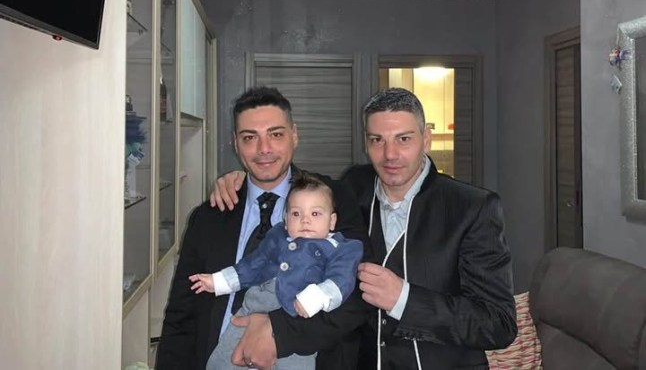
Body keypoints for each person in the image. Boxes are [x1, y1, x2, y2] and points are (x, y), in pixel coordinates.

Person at [210, 87, 518, 369]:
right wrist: (245, 180)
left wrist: (404, 299)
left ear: (426, 138)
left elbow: (499, 324)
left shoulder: (472, 207)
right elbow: (301, 187)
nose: (390, 154)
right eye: (377, 140)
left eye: (404, 139)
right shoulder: (353, 187)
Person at [156, 86, 370, 370]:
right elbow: (181, 316)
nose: (264, 149)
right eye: (249, 138)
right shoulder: (209, 216)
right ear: (235, 144)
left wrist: (277, 332)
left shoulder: (332, 199)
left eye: (276, 134)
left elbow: (357, 293)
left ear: (294, 135)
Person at [190, 170, 364, 370]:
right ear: (286, 220)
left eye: (315, 213)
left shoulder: (342, 248)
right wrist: (219, 281)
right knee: (222, 360)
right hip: (256, 304)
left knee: (298, 363)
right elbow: (253, 265)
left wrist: (318, 296)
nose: (305, 220)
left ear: (332, 221)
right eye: (296, 214)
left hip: (297, 317)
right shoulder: (277, 236)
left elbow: (342, 279)